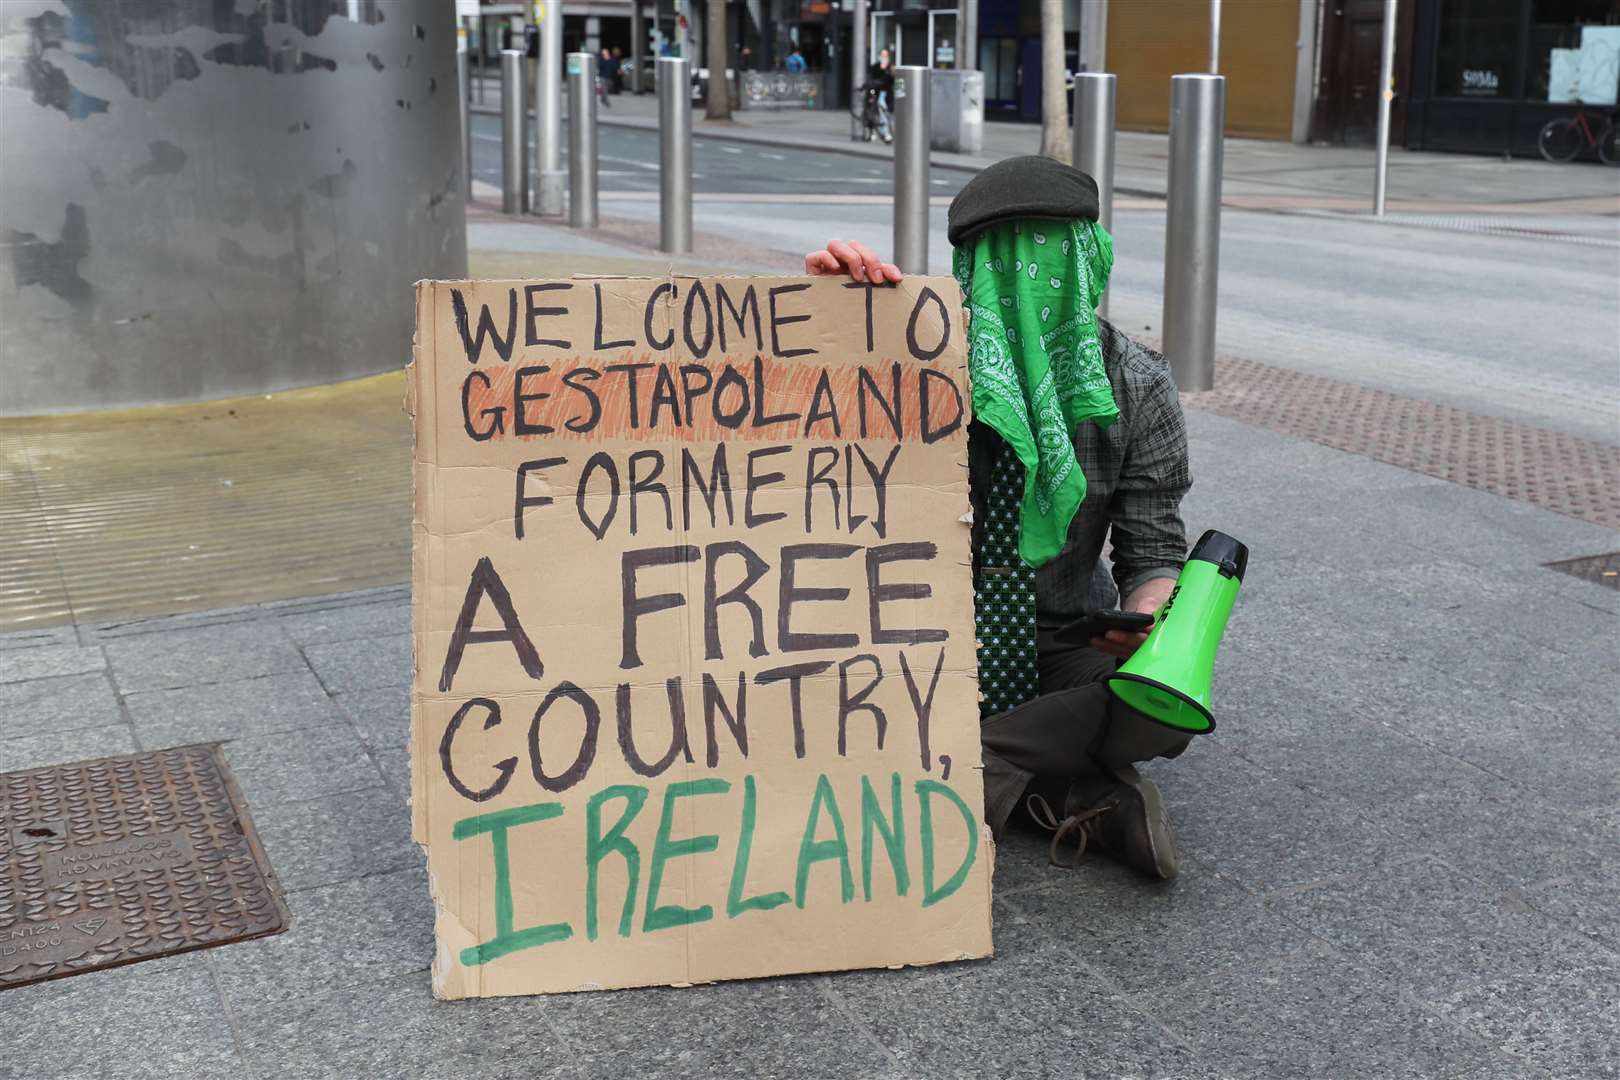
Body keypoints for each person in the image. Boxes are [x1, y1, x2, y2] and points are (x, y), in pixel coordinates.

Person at [804, 155, 1194, 881]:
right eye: (1006, 257)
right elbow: (795, 447)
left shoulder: (1139, 386)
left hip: (1063, 636)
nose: (1029, 283)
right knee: (806, 694)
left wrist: (1157, 623)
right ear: (967, 269)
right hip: (913, 638)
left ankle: (948, 773)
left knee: (1167, 706)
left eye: (1051, 253)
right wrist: (829, 314)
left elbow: (1153, 551)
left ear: (1092, 258)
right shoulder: (908, 356)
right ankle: (1063, 790)